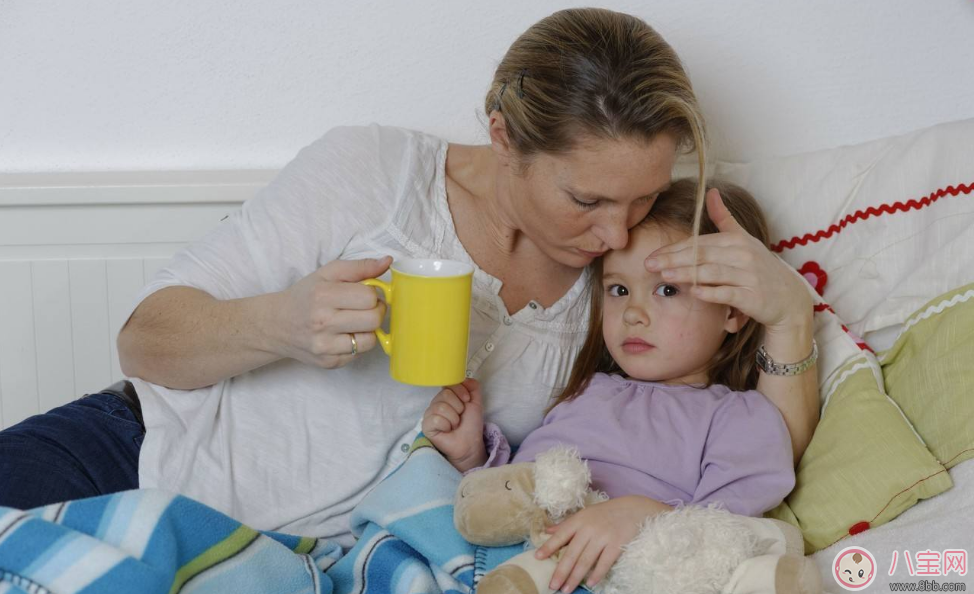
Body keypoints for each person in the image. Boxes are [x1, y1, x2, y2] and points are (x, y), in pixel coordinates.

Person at [0, 9, 817, 550]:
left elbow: (756, 439)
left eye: (640, 198)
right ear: (503, 138)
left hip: (330, 551)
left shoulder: (629, 278)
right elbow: (144, 340)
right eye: (586, 199)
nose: (616, 233)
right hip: (146, 451)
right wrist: (282, 323)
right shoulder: (374, 172)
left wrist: (786, 316)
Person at [422, 179, 798, 593]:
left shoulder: (737, 417)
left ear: (733, 311)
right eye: (618, 289)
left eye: (667, 289)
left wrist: (645, 515)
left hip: (616, 574)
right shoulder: (587, 390)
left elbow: (731, 531)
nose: (634, 312)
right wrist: (471, 455)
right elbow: (522, 491)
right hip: (514, 558)